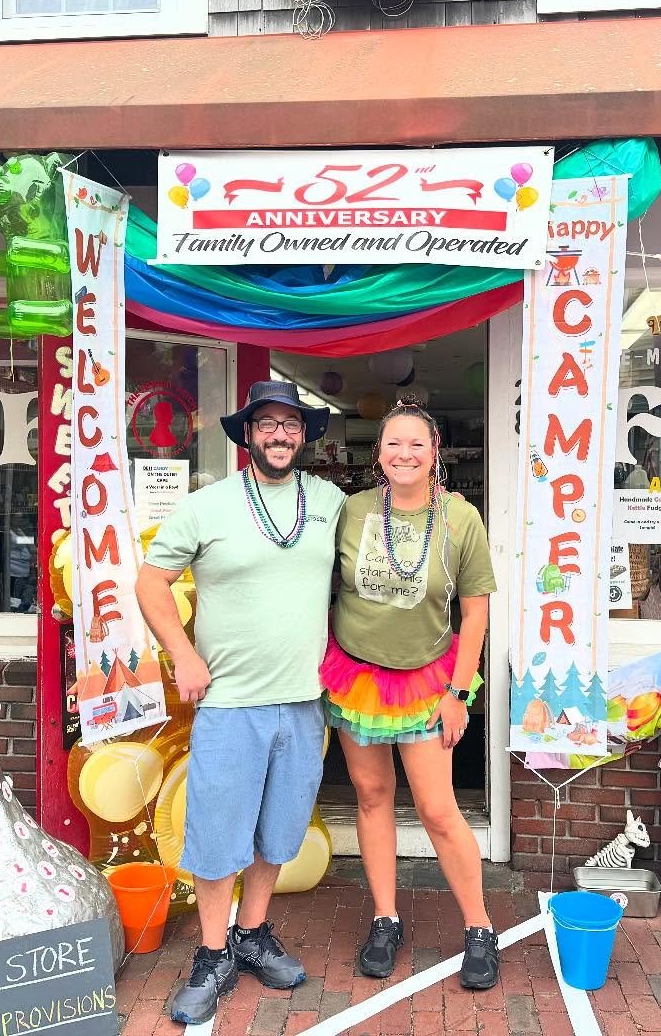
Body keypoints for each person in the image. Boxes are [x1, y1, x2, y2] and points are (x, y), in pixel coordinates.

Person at [137, 381, 345, 1026]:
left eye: (290, 424)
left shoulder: (332, 501)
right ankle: (212, 949)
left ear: (304, 435)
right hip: (230, 702)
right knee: (216, 833)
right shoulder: (207, 506)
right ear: (247, 434)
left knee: (277, 830)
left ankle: (252, 932)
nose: (280, 435)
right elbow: (150, 580)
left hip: (304, 701)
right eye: (268, 424)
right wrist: (183, 653)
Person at [320, 398, 501, 989]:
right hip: (357, 676)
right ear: (378, 454)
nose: (404, 454)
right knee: (371, 797)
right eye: (393, 444)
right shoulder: (350, 511)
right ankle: (385, 917)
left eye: (416, 444)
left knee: (437, 808)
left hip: (428, 680)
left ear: (434, 453)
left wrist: (459, 693)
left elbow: (474, 614)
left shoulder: (460, 518)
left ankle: (478, 926)